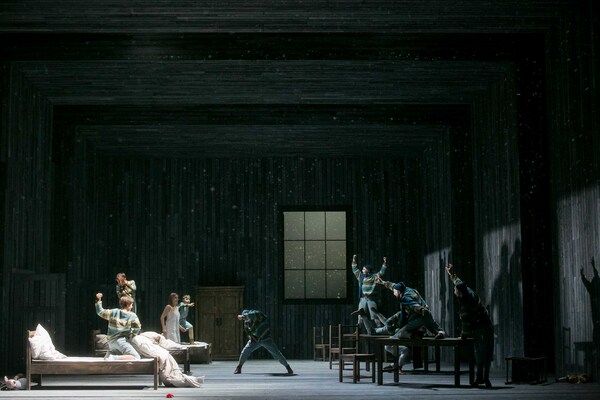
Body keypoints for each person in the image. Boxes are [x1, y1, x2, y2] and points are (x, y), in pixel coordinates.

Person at [446, 263, 493, 388]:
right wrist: (451, 274)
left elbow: (466, 324)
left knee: (481, 354)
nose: (454, 291)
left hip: (481, 327)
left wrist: (463, 336)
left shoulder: (467, 304)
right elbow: (458, 282)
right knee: (485, 353)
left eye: (455, 291)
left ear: (460, 293)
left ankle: (483, 378)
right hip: (485, 324)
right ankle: (482, 378)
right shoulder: (467, 291)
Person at [376, 277, 446, 340]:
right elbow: (392, 285)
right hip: (427, 314)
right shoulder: (407, 289)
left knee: (400, 334)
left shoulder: (405, 298)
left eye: (394, 292)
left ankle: (414, 335)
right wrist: (382, 282)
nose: (393, 293)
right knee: (434, 327)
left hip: (419, 316)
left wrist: (420, 309)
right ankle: (440, 333)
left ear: (398, 292)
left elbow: (413, 304)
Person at [234, 309, 293, 375]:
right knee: (245, 352)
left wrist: (242, 316)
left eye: (247, 317)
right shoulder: (246, 323)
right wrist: (250, 338)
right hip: (255, 340)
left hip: (265, 339)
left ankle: (288, 367)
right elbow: (248, 332)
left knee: (276, 353)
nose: (246, 319)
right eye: (245, 319)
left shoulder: (258, 315)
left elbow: (252, 315)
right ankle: (239, 367)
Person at [95, 292, 141, 360]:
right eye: (131, 304)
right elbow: (137, 328)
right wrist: (131, 333)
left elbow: (100, 312)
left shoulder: (113, 312)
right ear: (128, 305)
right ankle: (113, 357)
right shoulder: (132, 315)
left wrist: (98, 300)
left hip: (110, 342)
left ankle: (109, 355)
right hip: (121, 341)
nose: (132, 306)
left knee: (117, 352)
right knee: (136, 357)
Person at [350, 254, 388, 334]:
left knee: (374, 314)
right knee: (360, 314)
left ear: (368, 270)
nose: (362, 270)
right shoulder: (360, 276)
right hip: (363, 298)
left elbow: (382, 272)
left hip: (371, 298)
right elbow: (354, 269)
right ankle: (358, 330)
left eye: (364, 269)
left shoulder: (374, 276)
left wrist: (384, 263)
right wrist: (354, 260)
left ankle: (380, 329)